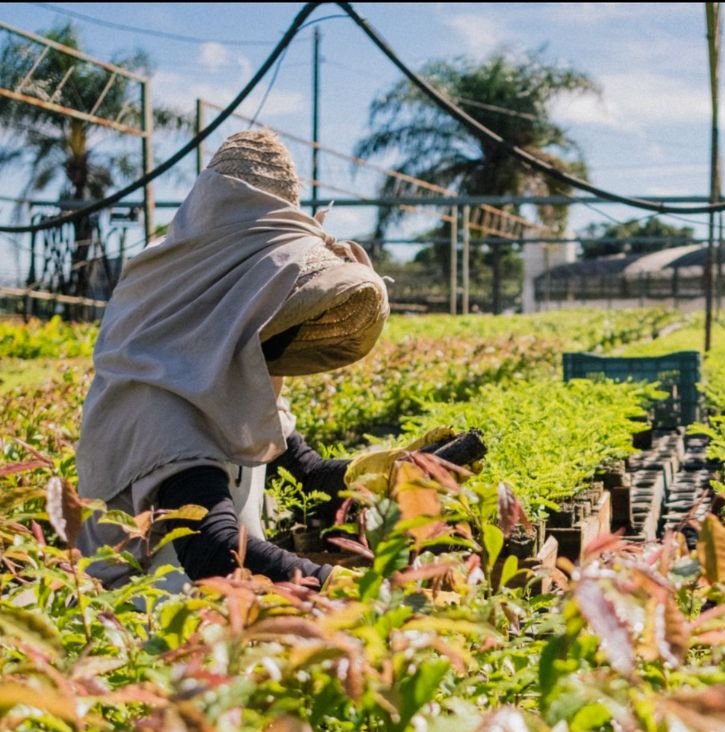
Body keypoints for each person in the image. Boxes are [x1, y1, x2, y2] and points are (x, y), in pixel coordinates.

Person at [75, 130, 477, 592]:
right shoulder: (159, 405)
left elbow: (304, 471)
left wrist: (383, 470)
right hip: (150, 628)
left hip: (227, 611)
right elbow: (214, 551)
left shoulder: (221, 371)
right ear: (235, 311)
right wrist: (351, 589)